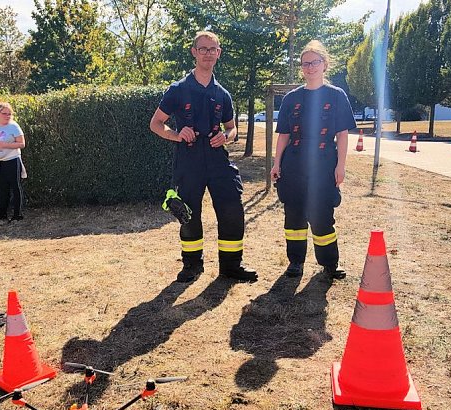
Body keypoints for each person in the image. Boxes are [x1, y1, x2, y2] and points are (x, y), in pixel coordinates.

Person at [150, 31, 257, 283]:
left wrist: (227, 136)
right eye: (203, 49)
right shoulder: (178, 89)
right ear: (194, 52)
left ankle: (231, 267)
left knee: (232, 209)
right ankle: (192, 266)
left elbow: (232, 128)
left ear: (218, 53)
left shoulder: (223, 94)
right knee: (188, 213)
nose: (208, 53)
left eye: (213, 49)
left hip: (218, 159)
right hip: (189, 160)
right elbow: (155, 124)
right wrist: (177, 135)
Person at [270, 40, 356, 280]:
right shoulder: (291, 98)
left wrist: (341, 165)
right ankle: (295, 262)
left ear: (324, 64)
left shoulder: (336, 96)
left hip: (324, 165)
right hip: (294, 165)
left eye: (315, 62)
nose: (310, 68)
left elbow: (342, 134)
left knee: (322, 216)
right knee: (294, 216)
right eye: (305, 64)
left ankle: (329, 264)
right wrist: (277, 163)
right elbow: (284, 134)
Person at [0, 102, 26, 222]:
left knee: (15, 186)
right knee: (3, 188)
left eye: (9, 114)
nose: (7, 116)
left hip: (12, 160)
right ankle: (2, 213)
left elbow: (22, 144)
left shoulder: (14, 126)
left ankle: (17, 214)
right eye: (4, 114)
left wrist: (5, 145)